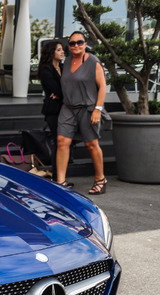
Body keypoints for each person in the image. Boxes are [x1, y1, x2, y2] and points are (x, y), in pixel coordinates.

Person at [56, 31, 110, 194]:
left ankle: (101, 179)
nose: (76, 46)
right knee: (61, 142)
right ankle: (60, 182)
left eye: (79, 42)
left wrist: (97, 109)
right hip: (68, 108)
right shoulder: (66, 61)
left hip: (88, 107)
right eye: (72, 43)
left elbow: (103, 87)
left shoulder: (92, 61)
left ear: (85, 44)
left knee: (91, 144)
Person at [38, 40, 65, 180]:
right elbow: (56, 90)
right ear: (51, 52)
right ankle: (57, 176)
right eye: (59, 49)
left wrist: (60, 93)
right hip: (53, 111)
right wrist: (59, 92)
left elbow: (64, 89)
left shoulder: (63, 67)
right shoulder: (46, 69)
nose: (62, 52)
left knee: (65, 142)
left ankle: (60, 175)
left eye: (62, 49)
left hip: (65, 109)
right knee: (58, 142)